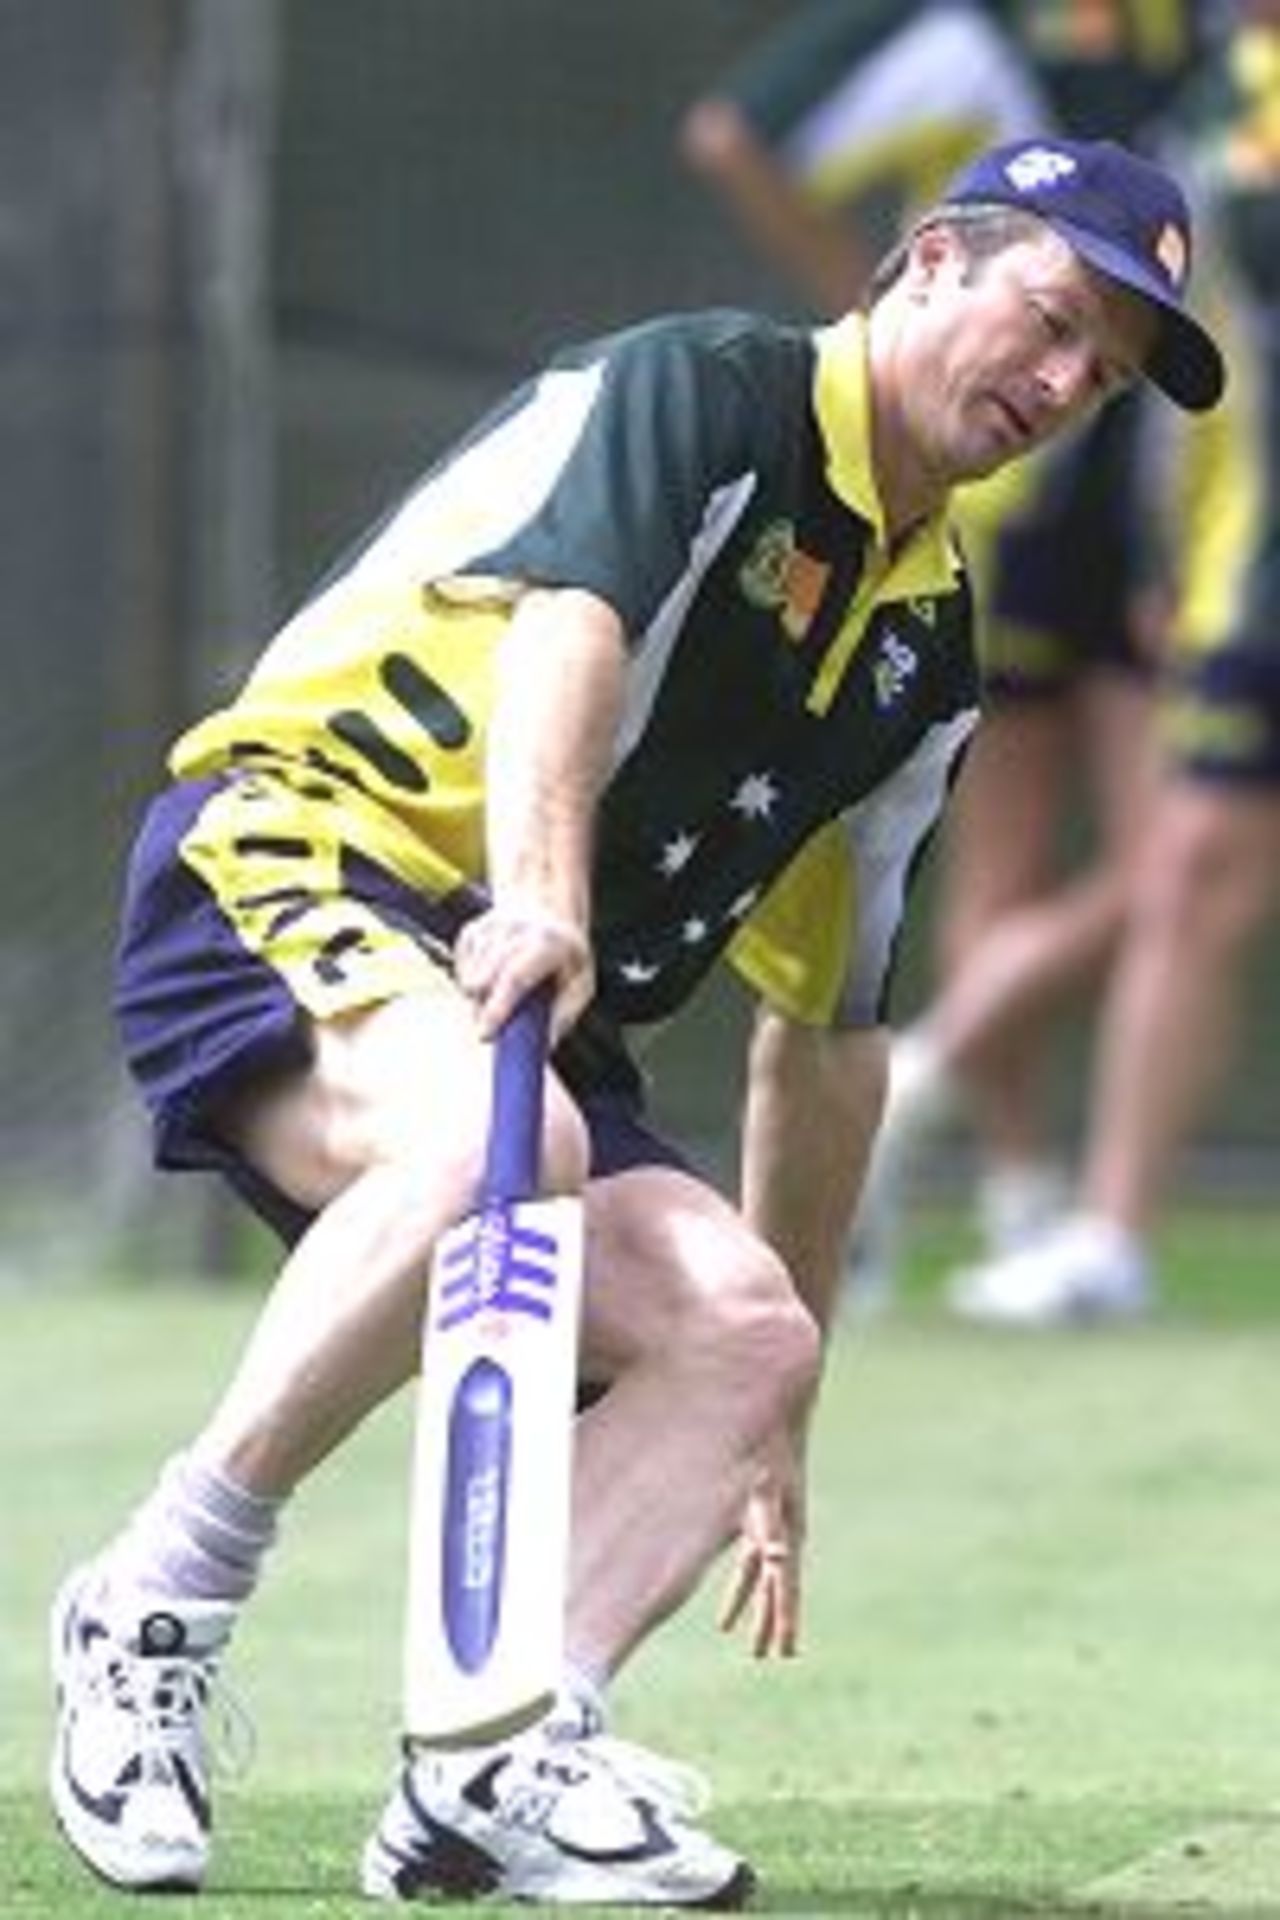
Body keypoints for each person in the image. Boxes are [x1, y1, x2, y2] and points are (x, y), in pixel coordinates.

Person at [48, 136, 1223, 1906]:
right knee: (507, 1143)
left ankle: (494, 1756)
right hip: (296, 855)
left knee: (744, 1329)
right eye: (1053, 319)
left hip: (508, 993)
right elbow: (567, 632)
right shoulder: (706, 395)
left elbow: (826, 1034)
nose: (1063, 385)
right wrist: (538, 890)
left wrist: (784, 1416)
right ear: (928, 264)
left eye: (1105, 374)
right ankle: (152, 1606)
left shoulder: (925, 649)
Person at [683, 1, 1223, 1302]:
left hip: (1150, 496)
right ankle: (1018, 1188)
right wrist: (883, 313)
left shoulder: (1205, 45)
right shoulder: (972, 28)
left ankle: (930, 1111)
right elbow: (734, 133)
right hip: (1012, 506)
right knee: (1011, 844)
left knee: (1178, 862)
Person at [943, 13, 1280, 1324]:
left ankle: (923, 1080)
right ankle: (1104, 1233)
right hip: (1246, 575)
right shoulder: (1215, 98)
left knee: (1185, 871)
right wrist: (1170, 555)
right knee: (1189, 873)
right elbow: (1211, 381)